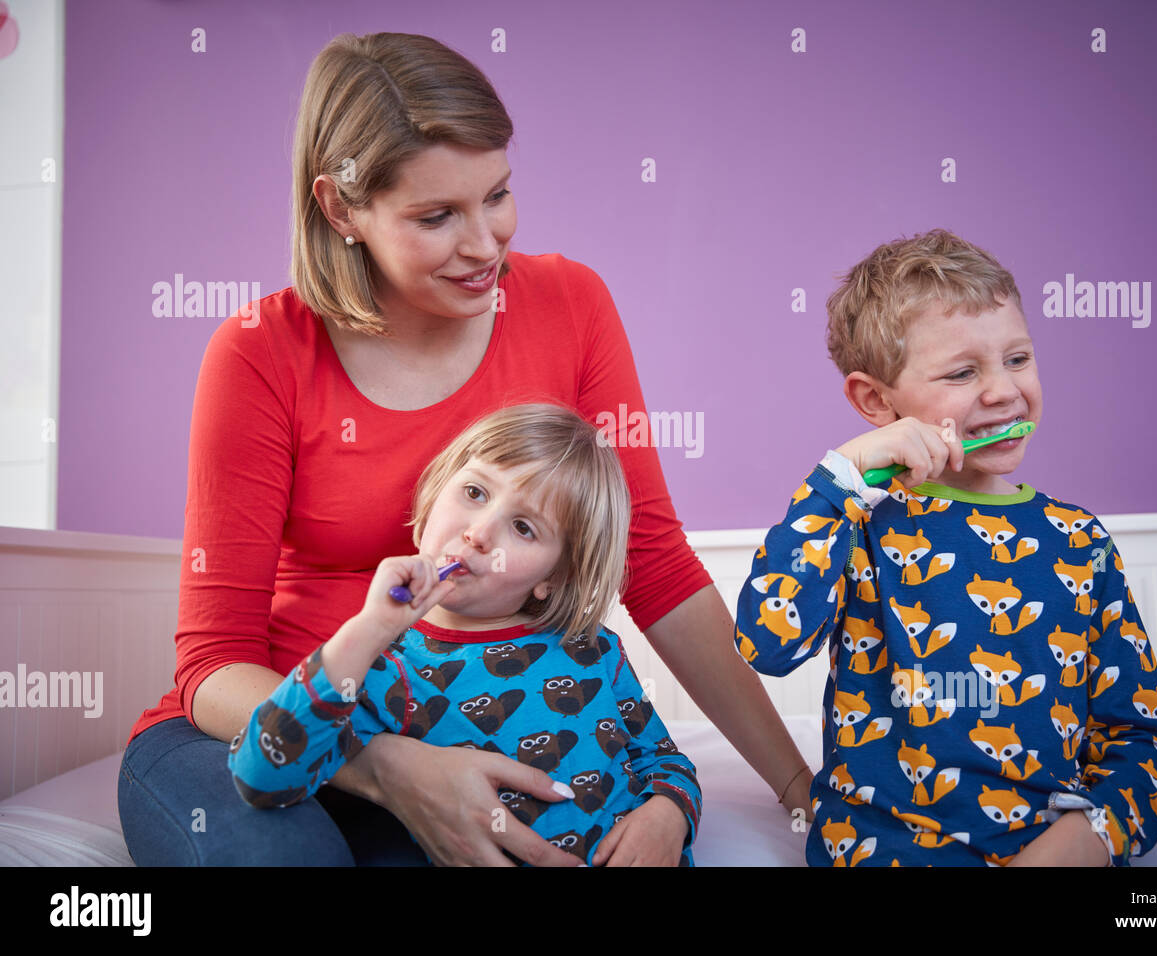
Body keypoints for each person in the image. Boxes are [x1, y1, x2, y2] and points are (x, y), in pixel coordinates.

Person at [118, 31, 809, 867]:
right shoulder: (260, 350)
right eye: (437, 216)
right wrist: (385, 768)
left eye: (498, 195)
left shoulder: (570, 304)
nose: (485, 245)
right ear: (340, 208)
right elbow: (213, 661)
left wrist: (800, 790)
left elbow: (652, 563)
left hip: (452, 728)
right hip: (262, 728)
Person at [734, 228, 1157, 866]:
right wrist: (840, 479)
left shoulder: (1079, 540)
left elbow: (1147, 746)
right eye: (963, 371)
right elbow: (769, 642)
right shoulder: (856, 526)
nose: (1003, 390)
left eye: (1018, 359)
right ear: (875, 400)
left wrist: (1086, 838)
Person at [229, 404, 699, 866]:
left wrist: (670, 812)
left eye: (523, 527)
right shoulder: (387, 669)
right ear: (434, 496)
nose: (479, 533)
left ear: (554, 577)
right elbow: (262, 774)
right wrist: (369, 628)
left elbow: (664, 761)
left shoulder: (594, 650)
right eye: (475, 492)